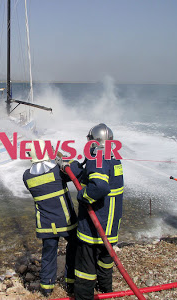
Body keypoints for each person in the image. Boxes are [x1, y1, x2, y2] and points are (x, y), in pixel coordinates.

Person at [23, 140, 83, 296]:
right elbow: (76, 169)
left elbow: (42, 174)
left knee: (49, 254)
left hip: (46, 225)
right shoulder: (58, 171)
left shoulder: (27, 177)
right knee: (73, 248)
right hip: (66, 222)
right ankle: (70, 282)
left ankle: (46, 288)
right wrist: (62, 161)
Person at [73, 123, 124, 300]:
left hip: (94, 228)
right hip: (110, 226)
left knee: (84, 269)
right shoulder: (112, 156)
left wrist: (82, 196)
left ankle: (83, 296)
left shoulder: (97, 157)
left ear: (94, 140)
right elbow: (97, 175)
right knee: (105, 261)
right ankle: (106, 291)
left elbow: (100, 187)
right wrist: (74, 167)